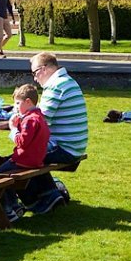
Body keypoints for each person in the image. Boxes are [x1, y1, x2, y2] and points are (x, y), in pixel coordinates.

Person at [26, 53, 84, 213]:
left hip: (65, 148)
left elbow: (38, 121)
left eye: (34, 73)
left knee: (21, 159)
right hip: (74, 145)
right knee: (29, 153)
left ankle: (25, 202)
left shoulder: (55, 86)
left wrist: (17, 117)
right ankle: (50, 195)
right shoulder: (67, 81)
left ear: (43, 69)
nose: (35, 79)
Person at [0, 83, 52, 222]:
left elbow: (22, 141)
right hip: (36, 159)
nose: (15, 107)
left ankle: (8, 212)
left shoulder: (30, 120)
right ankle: (14, 205)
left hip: (25, 160)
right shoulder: (39, 116)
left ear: (28, 102)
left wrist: (13, 128)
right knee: (4, 173)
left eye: (17, 103)